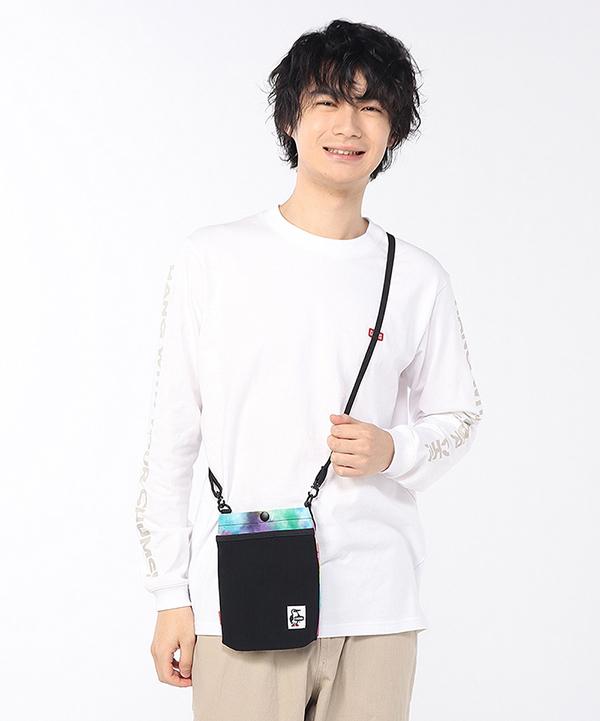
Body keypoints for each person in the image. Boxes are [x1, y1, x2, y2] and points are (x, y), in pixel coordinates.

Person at [135, 18, 484, 721]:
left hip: (377, 605)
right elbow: (173, 436)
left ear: (392, 130)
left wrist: (394, 449)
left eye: (371, 106)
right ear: (291, 117)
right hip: (241, 591)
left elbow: (459, 414)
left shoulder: (416, 277)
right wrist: (171, 593)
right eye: (327, 101)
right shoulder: (213, 258)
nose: (348, 125)